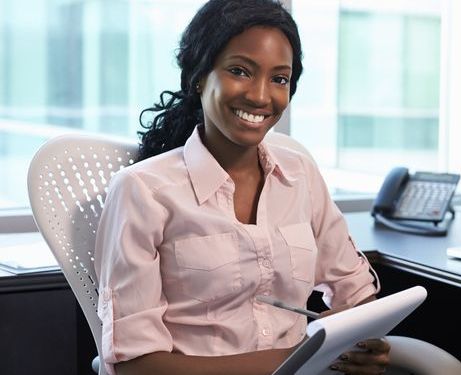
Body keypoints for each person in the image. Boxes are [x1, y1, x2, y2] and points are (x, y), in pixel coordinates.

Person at [93, 1, 389, 374]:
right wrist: (299, 357)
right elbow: (137, 367)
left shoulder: (299, 175)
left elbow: (356, 290)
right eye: (240, 71)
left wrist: (359, 343)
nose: (261, 96)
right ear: (199, 76)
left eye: (279, 79)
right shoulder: (143, 192)